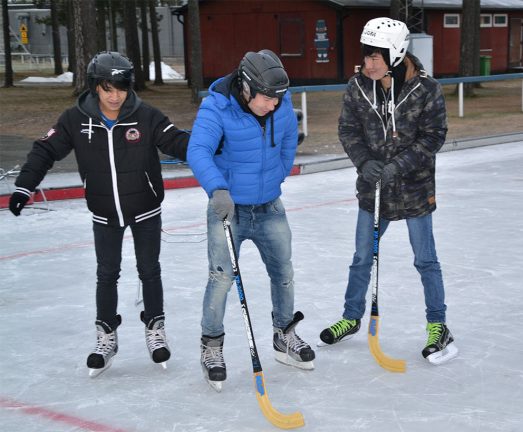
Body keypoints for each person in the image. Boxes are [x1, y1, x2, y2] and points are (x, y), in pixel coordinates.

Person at [9, 51, 190, 376]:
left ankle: (155, 328)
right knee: (106, 274)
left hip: (145, 208)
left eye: (120, 87)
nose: (115, 95)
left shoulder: (146, 116)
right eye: (107, 88)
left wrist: (211, 147)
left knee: (150, 270)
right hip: (104, 212)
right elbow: (45, 149)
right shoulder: (75, 119)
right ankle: (106, 335)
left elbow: (176, 141)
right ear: (95, 87)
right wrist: (25, 186)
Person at [319, 18, 458, 365]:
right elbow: (348, 130)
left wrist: (399, 165)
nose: (368, 63)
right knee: (361, 259)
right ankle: (351, 317)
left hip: (414, 190)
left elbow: (433, 137)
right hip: (373, 190)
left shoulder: (425, 89)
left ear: (396, 54)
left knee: (425, 260)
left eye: (376, 57)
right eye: (366, 56)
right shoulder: (357, 87)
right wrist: (365, 163)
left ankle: (438, 325)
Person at [187, 49, 315, 390]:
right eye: (268, 99)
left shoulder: (279, 103)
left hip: (270, 206)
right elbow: (197, 150)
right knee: (221, 279)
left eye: (279, 99)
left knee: (283, 273)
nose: (274, 105)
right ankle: (211, 346)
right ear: (246, 87)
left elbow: (289, 138)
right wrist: (217, 189)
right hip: (229, 209)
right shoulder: (217, 106)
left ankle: (283, 335)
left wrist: (278, 175)